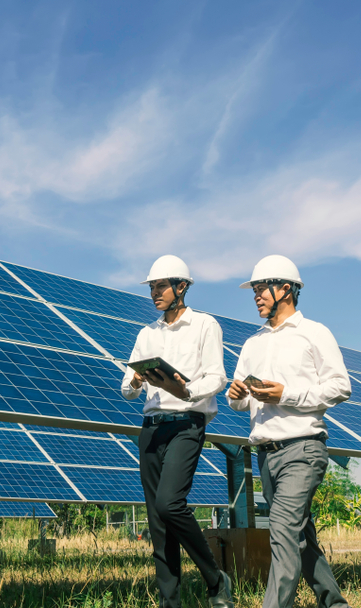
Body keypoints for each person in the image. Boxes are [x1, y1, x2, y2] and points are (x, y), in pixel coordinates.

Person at [227, 255, 351, 608]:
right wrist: (237, 396)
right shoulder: (252, 343)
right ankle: (335, 604)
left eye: (260, 288)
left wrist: (288, 394)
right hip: (266, 454)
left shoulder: (315, 333)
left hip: (303, 449)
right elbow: (241, 403)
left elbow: (341, 386)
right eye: (253, 290)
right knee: (299, 538)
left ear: (286, 289)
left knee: (282, 531)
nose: (255, 296)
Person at [121, 255, 234, 608]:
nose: (154, 292)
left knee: (170, 505)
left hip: (187, 422)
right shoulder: (146, 333)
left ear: (181, 287)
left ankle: (216, 578)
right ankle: (170, 601)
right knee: (157, 522)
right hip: (151, 429)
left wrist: (187, 390)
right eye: (152, 287)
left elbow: (217, 377)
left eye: (160, 286)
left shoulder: (204, 325)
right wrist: (136, 379)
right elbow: (126, 389)